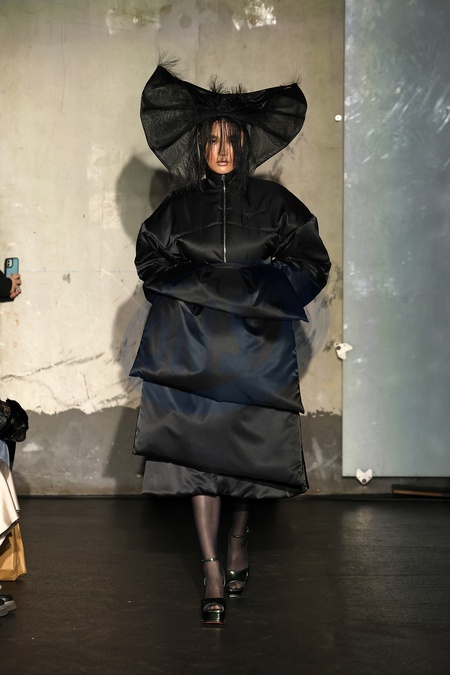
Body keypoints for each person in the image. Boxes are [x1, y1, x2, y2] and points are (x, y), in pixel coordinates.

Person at [130, 62, 331, 624]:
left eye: (231, 139)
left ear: (245, 144)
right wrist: (198, 289)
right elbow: (150, 261)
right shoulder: (179, 208)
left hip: (255, 353)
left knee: (246, 460)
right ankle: (212, 568)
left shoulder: (275, 204)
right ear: (201, 145)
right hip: (193, 354)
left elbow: (312, 262)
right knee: (198, 461)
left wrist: (258, 290)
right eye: (212, 139)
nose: (222, 149)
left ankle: (239, 539)